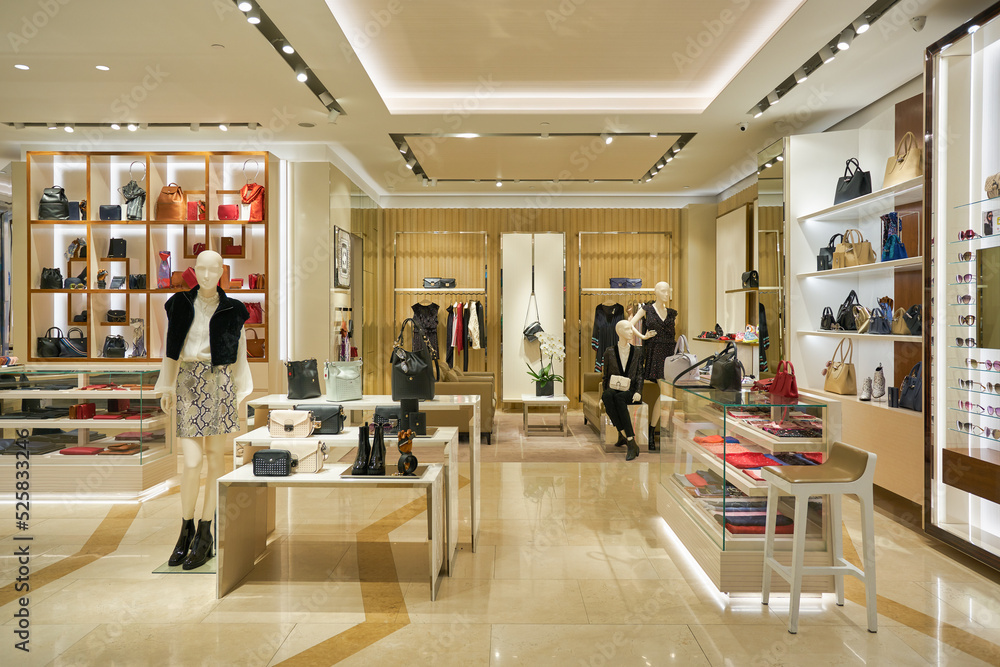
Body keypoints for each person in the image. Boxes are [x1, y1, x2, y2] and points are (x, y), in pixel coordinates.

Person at [155, 250, 251, 570]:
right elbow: (171, 348)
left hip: (220, 381)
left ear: (223, 271)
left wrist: (240, 392)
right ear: (194, 271)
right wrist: (166, 385)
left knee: (214, 459)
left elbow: (240, 353)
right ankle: (186, 529)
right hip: (188, 382)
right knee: (192, 461)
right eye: (202, 269)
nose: (208, 275)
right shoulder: (179, 304)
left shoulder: (234, 308)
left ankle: (206, 532)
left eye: (214, 269)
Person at [602, 319, 652, 461]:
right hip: (615, 387)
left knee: (618, 398)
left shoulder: (637, 351)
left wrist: (638, 392)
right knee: (607, 395)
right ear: (619, 332)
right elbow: (605, 375)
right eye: (627, 329)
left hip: (631, 391)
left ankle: (629, 440)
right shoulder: (609, 352)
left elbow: (640, 374)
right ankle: (628, 437)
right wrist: (602, 396)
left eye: (632, 329)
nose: (631, 332)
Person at [628, 281, 678, 381]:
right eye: (663, 291)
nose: (666, 294)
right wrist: (643, 337)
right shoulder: (647, 309)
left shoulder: (671, 313)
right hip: (654, 351)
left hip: (670, 351)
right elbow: (629, 325)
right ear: (655, 292)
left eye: (668, 291)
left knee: (669, 382)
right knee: (656, 383)